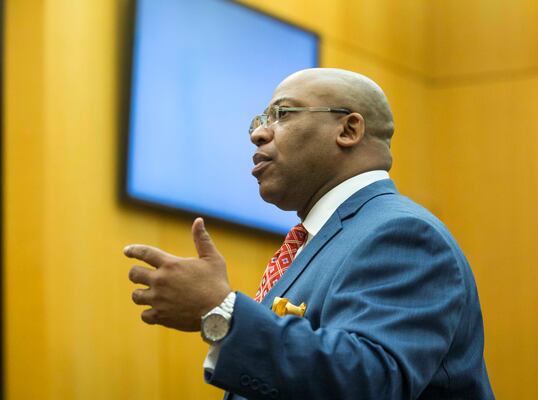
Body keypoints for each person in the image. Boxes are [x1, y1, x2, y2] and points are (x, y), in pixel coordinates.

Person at [124, 68, 495, 399]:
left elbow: (371, 383)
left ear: (348, 130)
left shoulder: (402, 233)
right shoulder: (319, 239)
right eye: (260, 119)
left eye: (283, 114)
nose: (258, 133)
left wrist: (220, 311)